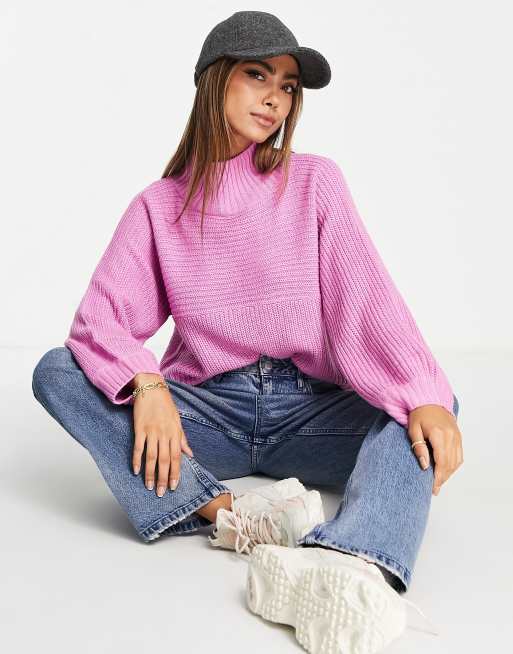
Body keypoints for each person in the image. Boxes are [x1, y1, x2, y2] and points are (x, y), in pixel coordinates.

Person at [32, 11, 463, 652]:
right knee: (57, 370)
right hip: (206, 420)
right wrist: (146, 383)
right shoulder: (159, 206)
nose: (275, 98)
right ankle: (232, 515)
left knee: (427, 407)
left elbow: (365, 299)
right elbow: (98, 322)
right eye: (258, 75)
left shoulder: (314, 181)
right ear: (216, 80)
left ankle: (349, 564)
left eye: (287, 86)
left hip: (310, 414)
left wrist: (422, 392)